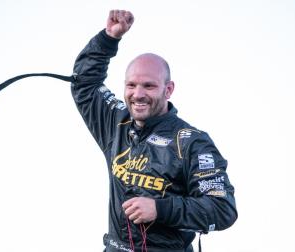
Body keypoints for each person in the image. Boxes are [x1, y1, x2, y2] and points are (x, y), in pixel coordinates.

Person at [71, 10, 237, 252]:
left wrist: (160, 209)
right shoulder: (116, 123)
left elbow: (223, 209)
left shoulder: (192, 142)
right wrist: (108, 39)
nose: (138, 94)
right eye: (131, 85)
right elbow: (84, 83)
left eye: (149, 86)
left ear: (168, 90)